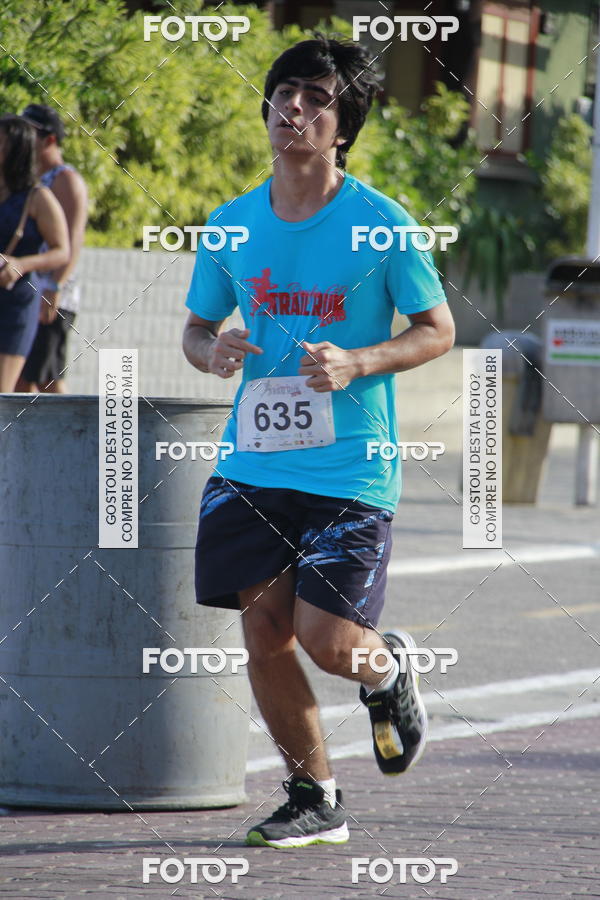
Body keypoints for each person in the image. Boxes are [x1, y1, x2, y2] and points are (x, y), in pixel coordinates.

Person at [182, 35, 455, 849]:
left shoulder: (381, 224)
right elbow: (197, 329)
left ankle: (386, 669)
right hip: (252, 463)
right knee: (264, 632)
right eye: (281, 92)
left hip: (350, 467)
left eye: (313, 96)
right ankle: (315, 795)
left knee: (330, 642)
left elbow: (438, 328)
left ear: (343, 125)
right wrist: (214, 349)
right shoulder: (231, 226)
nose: (291, 107)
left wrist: (361, 359)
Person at [16, 104, 88, 394]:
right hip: (25, 290)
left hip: (52, 293)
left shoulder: (65, 179)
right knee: (21, 378)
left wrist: (54, 286)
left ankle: (79, 439)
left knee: (47, 379)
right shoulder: (27, 179)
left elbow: (73, 240)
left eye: (29, 134)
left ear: (49, 139)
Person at [0, 115, 69, 393]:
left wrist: (21, 264)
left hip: (16, 300)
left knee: (3, 394)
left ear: (16, 148)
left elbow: (62, 250)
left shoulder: (37, 196)